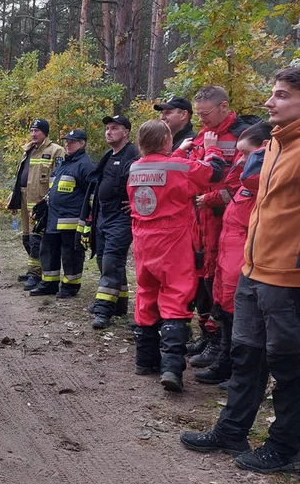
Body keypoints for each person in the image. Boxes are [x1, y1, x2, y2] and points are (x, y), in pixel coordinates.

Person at [181, 67, 300, 472]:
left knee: (287, 366)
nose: (270, 103)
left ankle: (286, 448)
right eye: (272, 94)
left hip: (287, 278)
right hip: (254, 268)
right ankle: (232, 430)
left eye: (281, 95)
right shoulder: (275, 146)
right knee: (247, 356)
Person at [127, 120, 221, 393]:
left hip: (144, 242)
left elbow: (165, 170)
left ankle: (145, 361)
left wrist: (179, 151)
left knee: (146, 295)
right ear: (167, 140)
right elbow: (212, 173)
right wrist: (212, 149)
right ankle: (171, 368)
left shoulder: (136, 167)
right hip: (174, 243)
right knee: (176, 299)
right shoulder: (180, 168)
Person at [179, 86, 259, 367]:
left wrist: (211, 197)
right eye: (198, 114)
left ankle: (218, 341)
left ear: (224, 107)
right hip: (199, 216)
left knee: (219, 280)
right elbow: (193, 168)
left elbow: (239, 182)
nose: (201, 120)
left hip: (224, 217)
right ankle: (208, 335)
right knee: (201, 275)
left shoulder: (243, 136)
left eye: (206, 113)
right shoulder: (202, 135)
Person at [194, 123, 271, 386]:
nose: (241, 159)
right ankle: (226, 365)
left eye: (248, 154)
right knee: (225, 311)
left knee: (238, 319)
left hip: (243, 260)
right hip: (228, 256)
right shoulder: (246, 182)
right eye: (239, 154)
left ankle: (235, 371)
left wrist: (256, 158)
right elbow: (230, 184)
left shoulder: (262, 179)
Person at [85, 115, 139, 328]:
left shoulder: (133, 154)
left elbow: (145, 183)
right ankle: (119, 303)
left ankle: (103, 310)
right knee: (103, 261)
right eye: (107, 128)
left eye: (114, 128)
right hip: (103, 216)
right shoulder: (108, 155)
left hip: (121, 218)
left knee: (111, 261)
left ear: (125, 132)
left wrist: (136, 204)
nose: (108, 132)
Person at [29, 129, 94, 299]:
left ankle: (70, 286)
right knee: (48, 250)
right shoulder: (64, 162)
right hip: (53, 218)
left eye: (72, 141)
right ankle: (49, 283)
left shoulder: (86, 165)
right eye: (66, 141)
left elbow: (92, 194)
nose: (68, 144)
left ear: (82, 143)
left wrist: (88, 220)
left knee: (71, 255)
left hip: (71, 220)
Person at [8, 119, 64, 290]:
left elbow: (60, 178)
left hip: (41, 202)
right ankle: (35, 269)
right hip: (25, 198)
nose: (33, 134)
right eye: (32, 130)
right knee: (27, 238)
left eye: (37, 131)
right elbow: (21, 177)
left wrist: (50, 200)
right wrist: (14, 200)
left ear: (45, 133)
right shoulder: (28, 150)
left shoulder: (56, 151)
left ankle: (35, 274)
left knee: (37, 239)